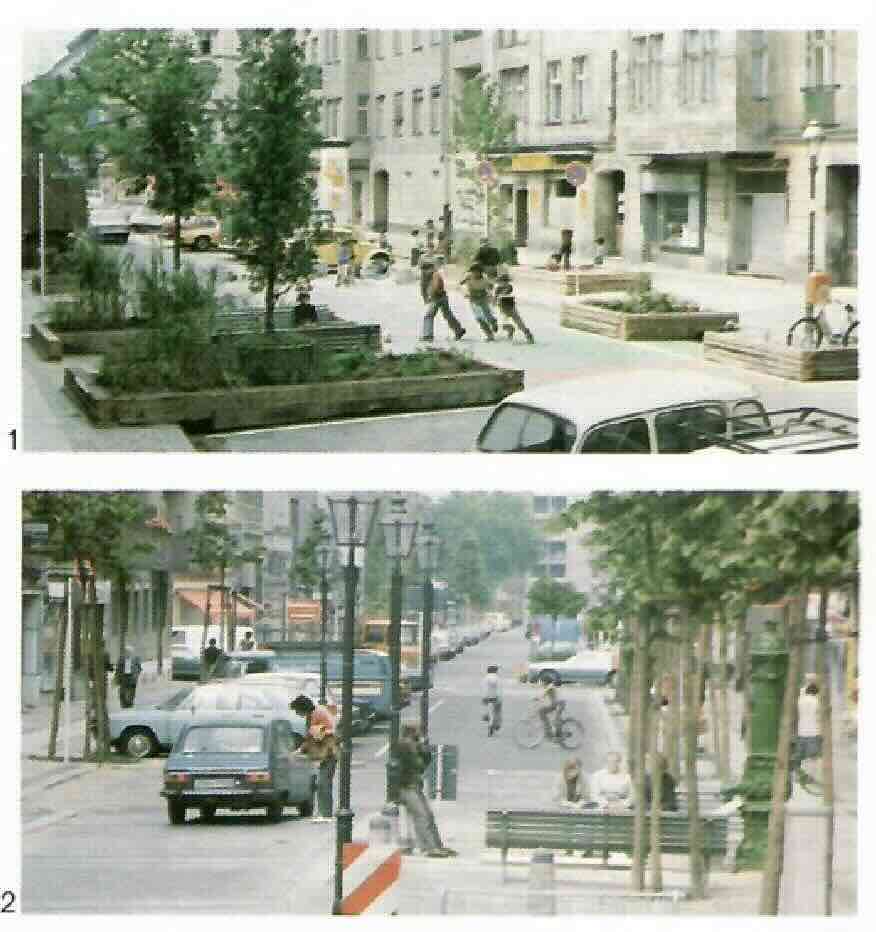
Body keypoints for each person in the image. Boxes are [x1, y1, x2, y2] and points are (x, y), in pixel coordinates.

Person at [397, 722, 456, 857]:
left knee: (427, 815)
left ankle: (435, 845)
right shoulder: (405, 746)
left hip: (413, 786)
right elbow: (419, 764)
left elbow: (424, 762)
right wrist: (422, 747)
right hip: (407, 787)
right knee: (422, 815)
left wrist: (422, 748)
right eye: (418, 730)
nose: (420, 732)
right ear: (412, 732)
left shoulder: (412, 744)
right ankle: (429, 848)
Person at [291, 694, 337, 818]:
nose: (297, 714)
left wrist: (300, 750)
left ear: (303, 708)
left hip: (327, 754)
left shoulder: (317, 715)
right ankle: (323, 812)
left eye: (297, 711)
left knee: (323, 784)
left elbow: (314, 737)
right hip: (326, 753)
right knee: (323, 784)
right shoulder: (317, 712)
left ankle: (325, 814)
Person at [422, 255, 466, 342]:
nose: (425, 271)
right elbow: (423, 287)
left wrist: (429, 296)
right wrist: (426, 297)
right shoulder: (431, 274)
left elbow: (435, 286)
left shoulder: (436, 274)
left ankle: (428, 335)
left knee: (429, 316)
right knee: (447, 315)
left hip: (437, 297)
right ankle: (458, 330)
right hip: (441, 297)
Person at [794, 675, 822, 786]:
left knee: (800, 756)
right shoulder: (816, 702)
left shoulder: (800, 701)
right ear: (816, 693)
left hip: (801, 731)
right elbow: (819, 717)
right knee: (813, 757)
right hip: (813, 732)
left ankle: (799, 776)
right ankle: (810, 777)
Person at [494, 268, 535, 343]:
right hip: (502, 307)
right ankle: (510, 330)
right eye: (502, 282)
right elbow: (496, 297)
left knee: (519, 322)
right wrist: (495, 299)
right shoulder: (498, 288)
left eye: (505, 281)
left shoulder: (509, 286)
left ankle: (528, 334)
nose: (504, 283)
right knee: (504, 323)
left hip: (511, 307)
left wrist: (501, 294)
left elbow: (507, 291)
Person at [460, 263, 498, 340]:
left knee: (487, 314)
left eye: (476, 272)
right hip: (473, 299)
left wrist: (492, 296)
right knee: (479, 318)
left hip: (483, 298)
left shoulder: (485, 278)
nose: (474, 273)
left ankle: (493, 321)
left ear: (480, 272)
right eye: (473, 272)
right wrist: (465, 292)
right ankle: (489, 335)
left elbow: (491, 287)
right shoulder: (468, 276)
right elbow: (461, 284)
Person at [482, 664, 503, 736]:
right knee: (497, 712)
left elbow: (484, 689)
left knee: (490, 712)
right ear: (495, 671)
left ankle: (490, 724)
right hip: (495, 697)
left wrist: (484, 697)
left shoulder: (485, 678)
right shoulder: (497, 678)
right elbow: (499, 689)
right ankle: (497, 724)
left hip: (488, 698)